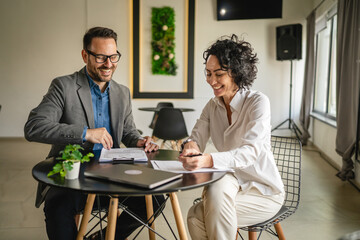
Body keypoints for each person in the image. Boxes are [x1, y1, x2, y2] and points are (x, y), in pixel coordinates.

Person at [24, 26, 164, 240]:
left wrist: (139, 140)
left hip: (114, 176)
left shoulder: (122, 92)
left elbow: (127, 131)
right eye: (100, 57)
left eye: (113, 56)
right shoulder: (63, 86)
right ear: (85, 55)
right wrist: (85, 133)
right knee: (57, 208)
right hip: (73, 175)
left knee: (155, 200)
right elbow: (34, 126)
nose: (109, 64)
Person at [178, 34, 285, 240]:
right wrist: (191, 146)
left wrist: (207, 159)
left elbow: (250, 153)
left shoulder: (258, 102)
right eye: (208, 73)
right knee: (205, 201)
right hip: (232, 180)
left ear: (236, 73)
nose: (211, 81)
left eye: (218, 74)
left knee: (198, 215)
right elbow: (197, 135)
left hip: (262, 190)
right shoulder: (212, 106)